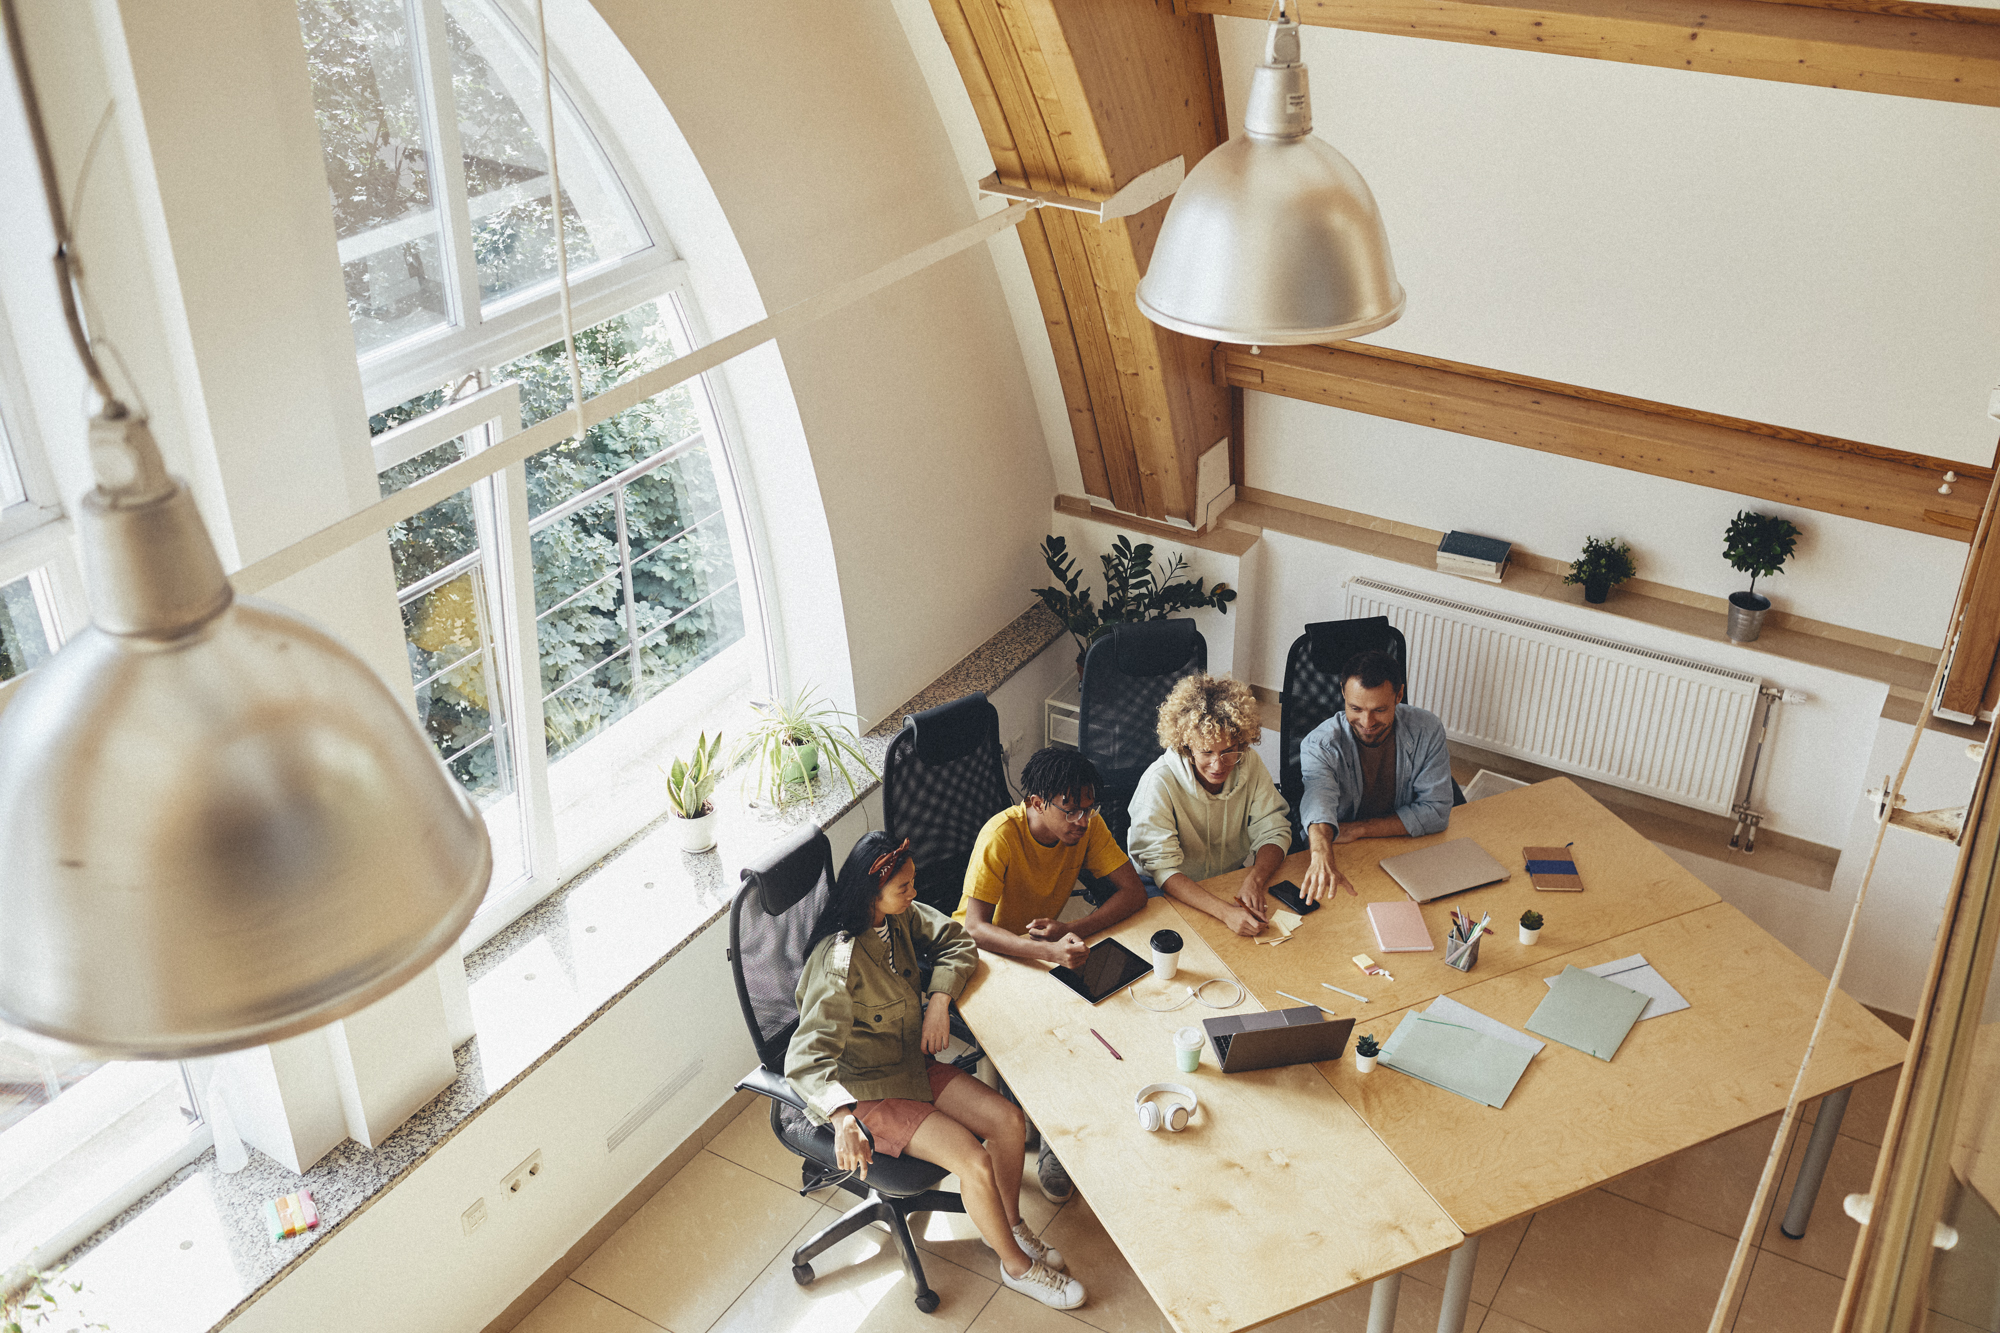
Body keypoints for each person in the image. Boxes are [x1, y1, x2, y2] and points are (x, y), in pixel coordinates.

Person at [787, 831, 1085, 1311]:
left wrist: (940, 1000)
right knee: (974, 1160)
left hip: (908, 1063)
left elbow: (958, 939)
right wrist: (842, 1118)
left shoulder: (897, 916)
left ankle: (1006, 1226)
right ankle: (1017, 1267)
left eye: (912, 883)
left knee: (1009, 1122)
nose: (914, 893)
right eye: (904, 887)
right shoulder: (838, 962)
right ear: (871, 892)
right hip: (867, 1090)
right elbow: (805, 1058)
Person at [956, 746, 1147, 1203]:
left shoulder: (1087, 827)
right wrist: (1047, 951)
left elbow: (1133, 893)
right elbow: (974, 928)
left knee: (1105, 1003)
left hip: (1039, 947)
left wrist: (1072, 929)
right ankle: (1050, 1135)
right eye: (1071, 809)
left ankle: (1048, 1117)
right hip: (981, 957)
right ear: (1036, 802)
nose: (1082, 820)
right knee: (1049, 1033)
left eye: (1089, 808)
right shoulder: (1001, 835)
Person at [1126, 673, 1291, 937]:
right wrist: (1225, 912)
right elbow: (1163, 869)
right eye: (1206, 752)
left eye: (1228, 751)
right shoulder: (1158, 782)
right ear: (1187, 747)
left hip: (1224, 880)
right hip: (1161, 886)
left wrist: (1254, 880)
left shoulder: (1249, 763)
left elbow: (1274, 828)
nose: (1218, 765)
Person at [1297, 649, 1454, 902]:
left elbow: (1436, 812)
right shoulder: (1320, 744)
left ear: (1399, 695)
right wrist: (1320, 853)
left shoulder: (1427, 729)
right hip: (1349, 855)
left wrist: (1360, 828)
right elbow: (1318, 805)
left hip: (1402, 851)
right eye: (1355, 708)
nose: (1367, 722)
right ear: (1343, 693)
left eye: (1379, 709)